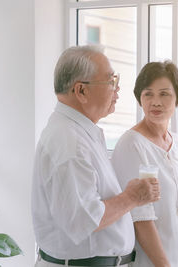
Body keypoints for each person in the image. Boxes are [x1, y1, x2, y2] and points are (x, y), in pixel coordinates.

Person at [31, 45, 160, 267]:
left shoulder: (79, 134)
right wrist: (132, 197)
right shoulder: (70, 143)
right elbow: (84, 219)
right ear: (81, 91)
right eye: (111, 81)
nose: (117, 90)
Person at [111, 61, 178, 267]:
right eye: (148, 94)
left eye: (164, 94)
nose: (155, 102)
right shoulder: (131, 144)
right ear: (140, 99)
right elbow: (140, 218)